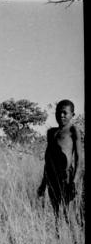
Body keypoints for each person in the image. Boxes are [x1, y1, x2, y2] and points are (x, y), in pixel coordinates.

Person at [37, 99, 82, 235]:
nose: (61, 115)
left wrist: (74, 181)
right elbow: (48, 159)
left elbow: (79, 158)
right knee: (56, 212)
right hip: (52, 176)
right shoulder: (51, 133)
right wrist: (43, 184)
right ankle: (59, 240)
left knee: (68, 212)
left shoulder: (73, 131)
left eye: (64, 113)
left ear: (72, 115)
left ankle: (75, 240)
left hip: (67, 177)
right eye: (58, 112)